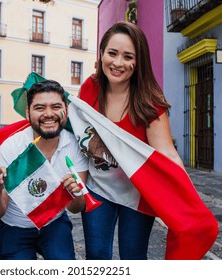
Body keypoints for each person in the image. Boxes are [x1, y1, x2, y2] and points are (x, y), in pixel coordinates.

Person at [79, 21, 185, 260]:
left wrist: (187, 196)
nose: (118, 63)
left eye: (128, 56)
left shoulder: (150, 102)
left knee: (133, 257)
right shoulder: (89, 88)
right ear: (102, 54)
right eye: (112, 53)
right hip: (99, 187)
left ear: (138, 63)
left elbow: (167, 153)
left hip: (138, 193)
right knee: (95, 256)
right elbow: (76, 131)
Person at [0, 80, 88, 260]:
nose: (49, 114)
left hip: (54, 224)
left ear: (66, 110)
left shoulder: (75, 145)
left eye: (56, 106)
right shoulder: (10, 149)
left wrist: (76, 193)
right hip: (14, 227)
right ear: (27, 112)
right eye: (40, 108)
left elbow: (76, 208)